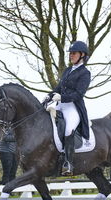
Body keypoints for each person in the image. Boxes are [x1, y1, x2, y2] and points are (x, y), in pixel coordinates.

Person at [45, 40, 91, 176]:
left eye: (73, 53)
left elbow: (79, 94)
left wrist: (62, 97)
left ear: (82, 55)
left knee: (69, 129)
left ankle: (68, 164)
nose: (71, 56)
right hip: (60, 105)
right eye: (70, 53)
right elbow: (58, 88)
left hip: (73, 107)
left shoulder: (85, 73)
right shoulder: (67, 71)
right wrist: (49, 96)